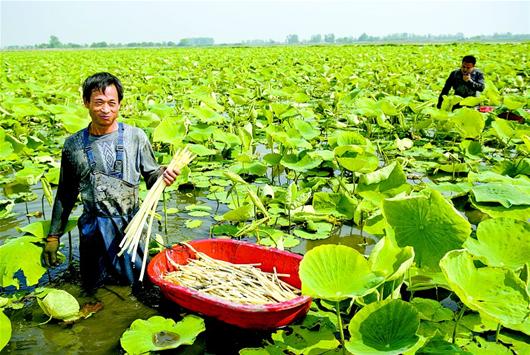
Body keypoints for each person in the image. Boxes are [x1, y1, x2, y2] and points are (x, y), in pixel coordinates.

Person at [43, 72, 179, 292]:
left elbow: (152, 176)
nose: (105, 109)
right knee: (93, 287)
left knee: (137, 284)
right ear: (86, 102)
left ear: (119, 105)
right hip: (93, 227)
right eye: (98, 102)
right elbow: (66, 193)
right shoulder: (73, 145)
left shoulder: (136, 137)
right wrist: (53, 236)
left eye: (111, 103)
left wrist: (163, 176)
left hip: (131, 225)